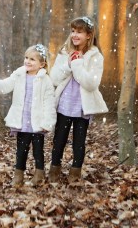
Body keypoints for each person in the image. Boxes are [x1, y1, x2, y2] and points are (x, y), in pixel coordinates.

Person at [0, 44, 56, 187]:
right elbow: (4, 86)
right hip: (22, 123)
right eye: (26, 58)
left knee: (38, 151)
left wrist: (48, 123)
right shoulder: (19, 75)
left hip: (38, 123)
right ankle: (18, 176)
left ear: (42, 64)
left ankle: (39, 175)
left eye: (32, 59)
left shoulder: (45, 80)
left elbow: (49, 104)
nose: (28, 61)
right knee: (21, 151)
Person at [49, 16, 108, 183]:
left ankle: (75, 173)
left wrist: (77, 65)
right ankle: (54, 169)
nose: (74, 35)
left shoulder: (95, 56)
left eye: (79, 32)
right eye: (73, 31)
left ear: (89, 35)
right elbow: (54, 78)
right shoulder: (64, 52)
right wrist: (68, 65)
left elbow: (91, 83)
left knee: (79, 141)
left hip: (82, 106)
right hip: (64, 104)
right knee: (59, 139)